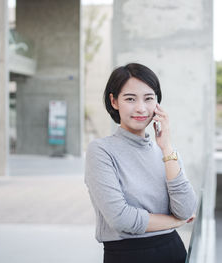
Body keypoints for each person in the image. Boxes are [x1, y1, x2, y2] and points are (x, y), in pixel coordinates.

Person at [84, 63, 197, 263]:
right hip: (128, 255)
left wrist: (167, 147)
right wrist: (175, 221)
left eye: (149, 98)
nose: (141, 108)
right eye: (130, 99)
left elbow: (186, 209)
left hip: (173, 251)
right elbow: (121, 219)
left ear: (157, 104)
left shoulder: (166, 151)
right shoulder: (101, 151)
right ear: (114, 101)